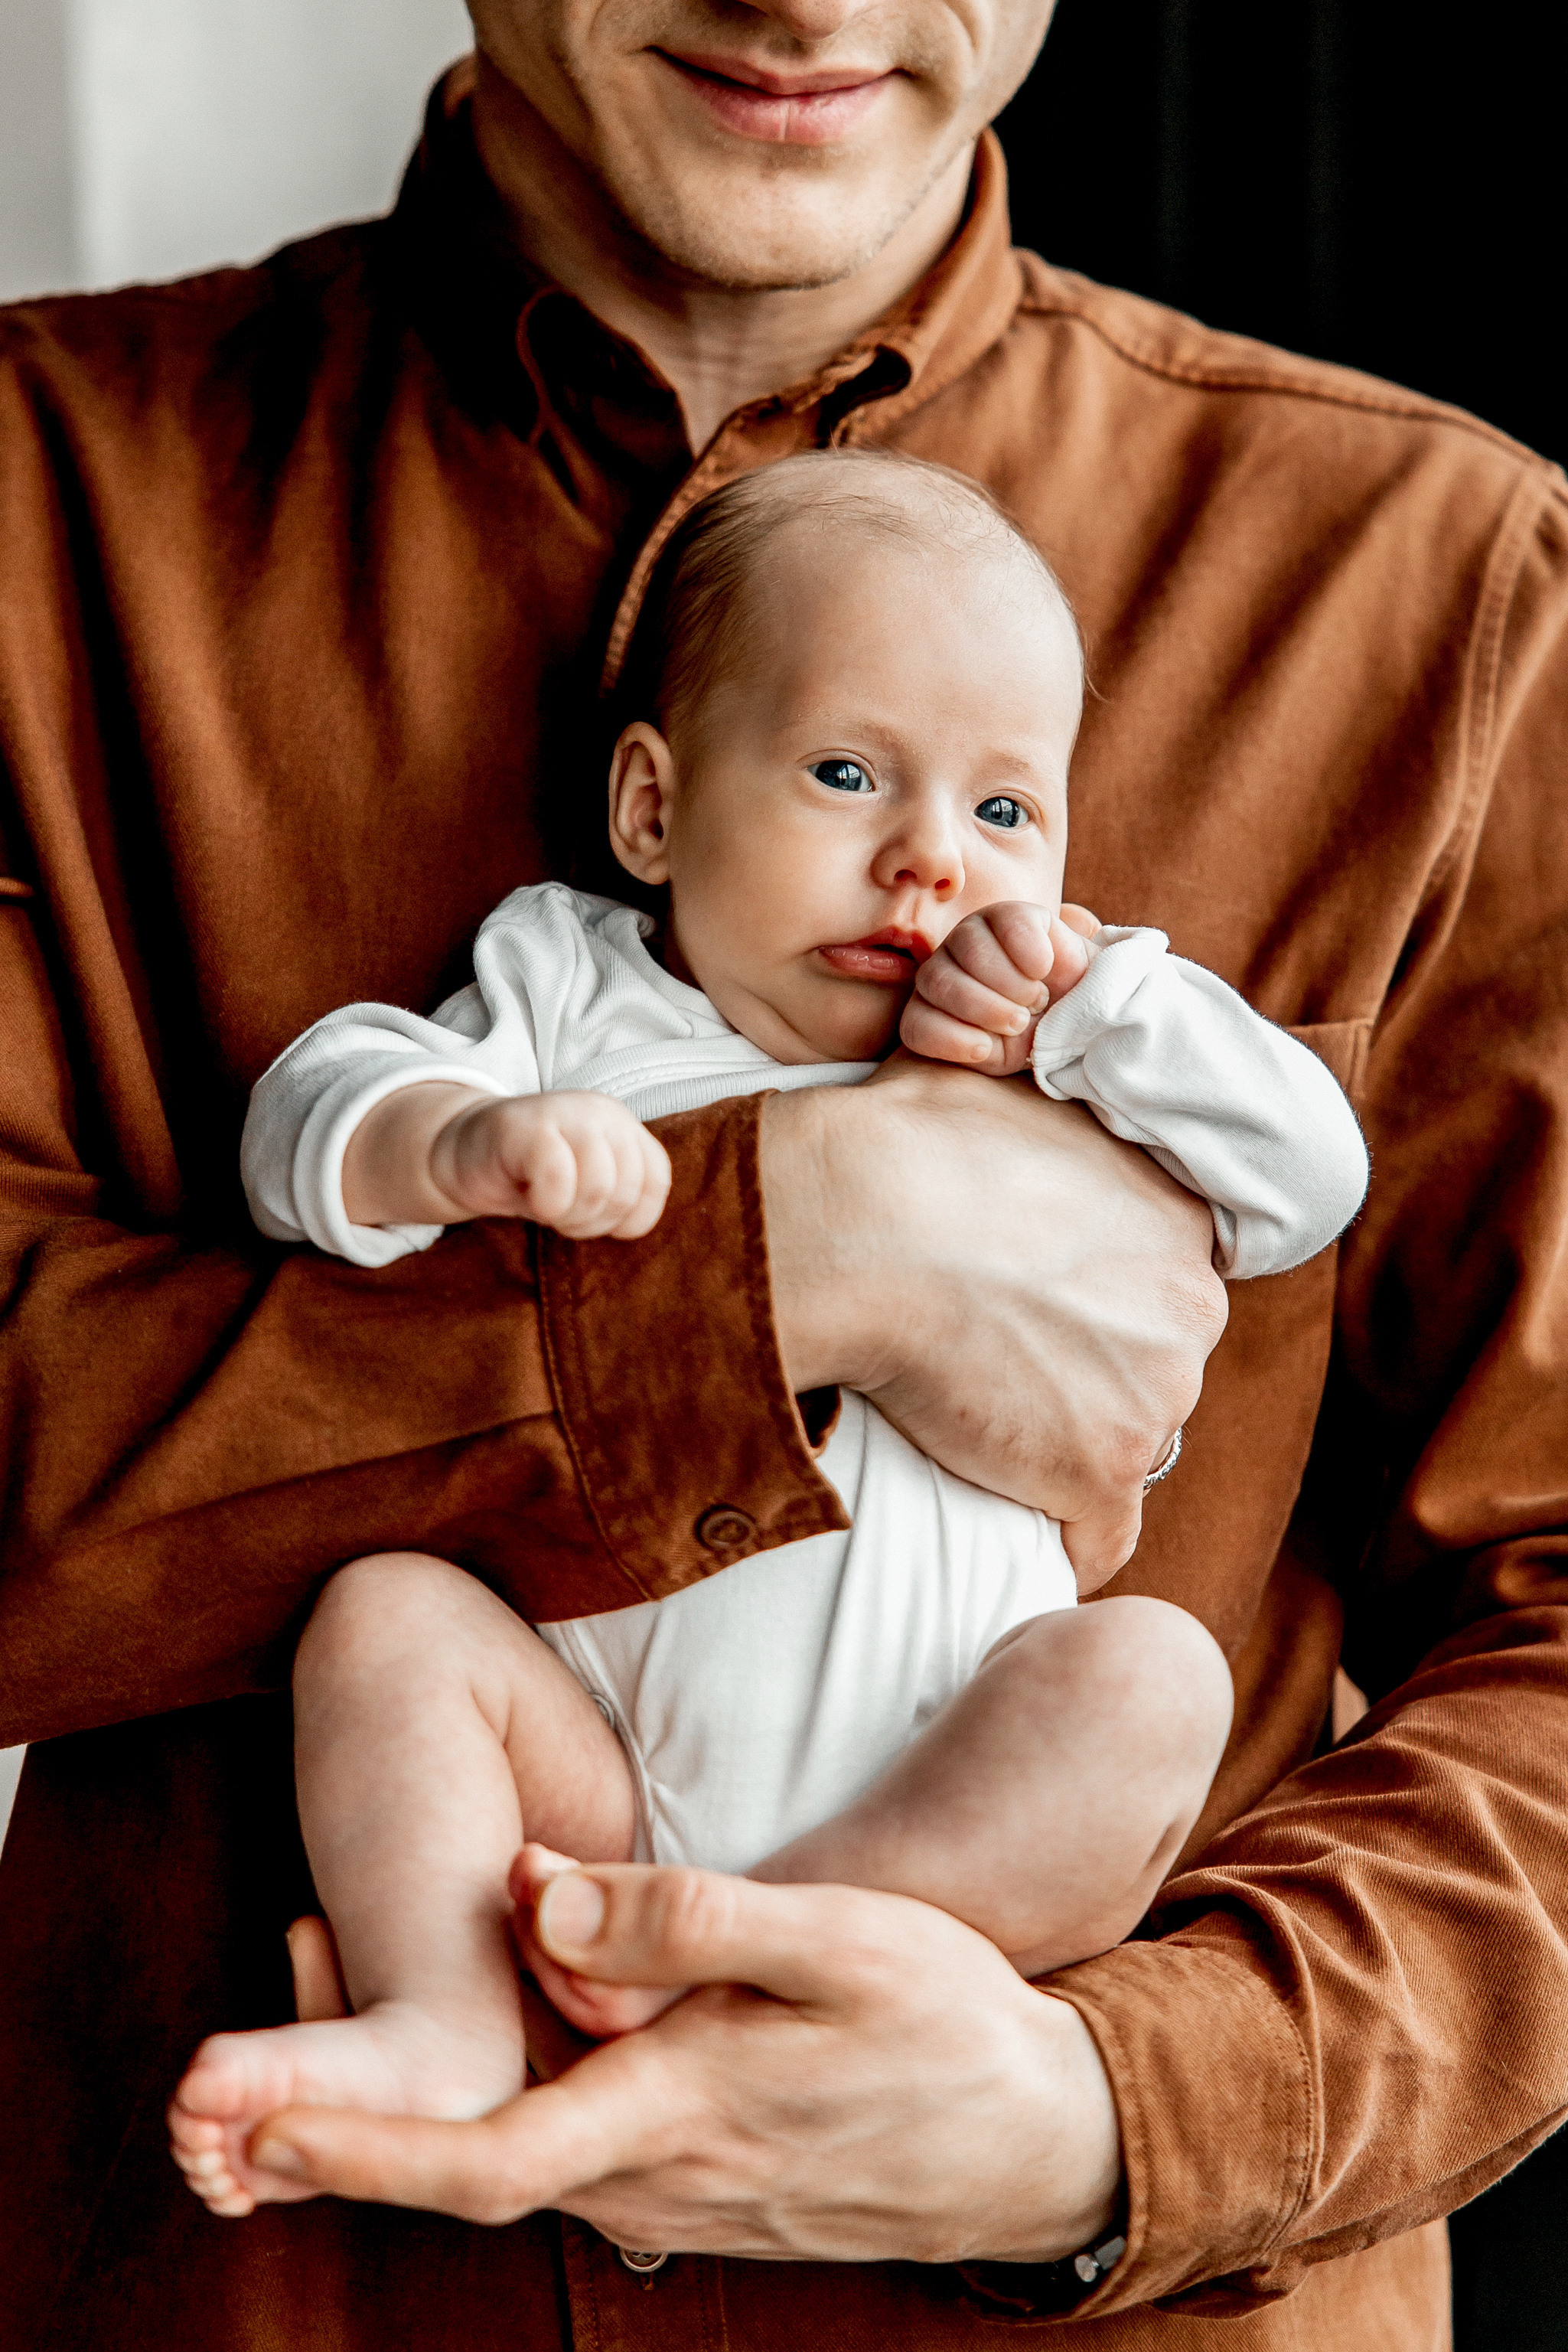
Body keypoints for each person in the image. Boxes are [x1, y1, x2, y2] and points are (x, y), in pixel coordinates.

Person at [0, 0, 1563, 2342]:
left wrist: (1119, 2109)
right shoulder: (32, 500)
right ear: (649, 801)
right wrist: (772, 1262)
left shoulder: (1440, 578)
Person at [165, 453, 1367, 2220]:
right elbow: (307, 1111)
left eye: (1006, 813)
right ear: (651, 810)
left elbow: (1307, 1175)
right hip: (583, 1775)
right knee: (387, 1623)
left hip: (931, 1779)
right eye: (843, 773)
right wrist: (445, 1134)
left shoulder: (1054, 1051)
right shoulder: (576, 983)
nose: (928, 859)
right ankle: (440, 2011)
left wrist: (1108, 998)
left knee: (1147, 1681)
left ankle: (743, 1964)